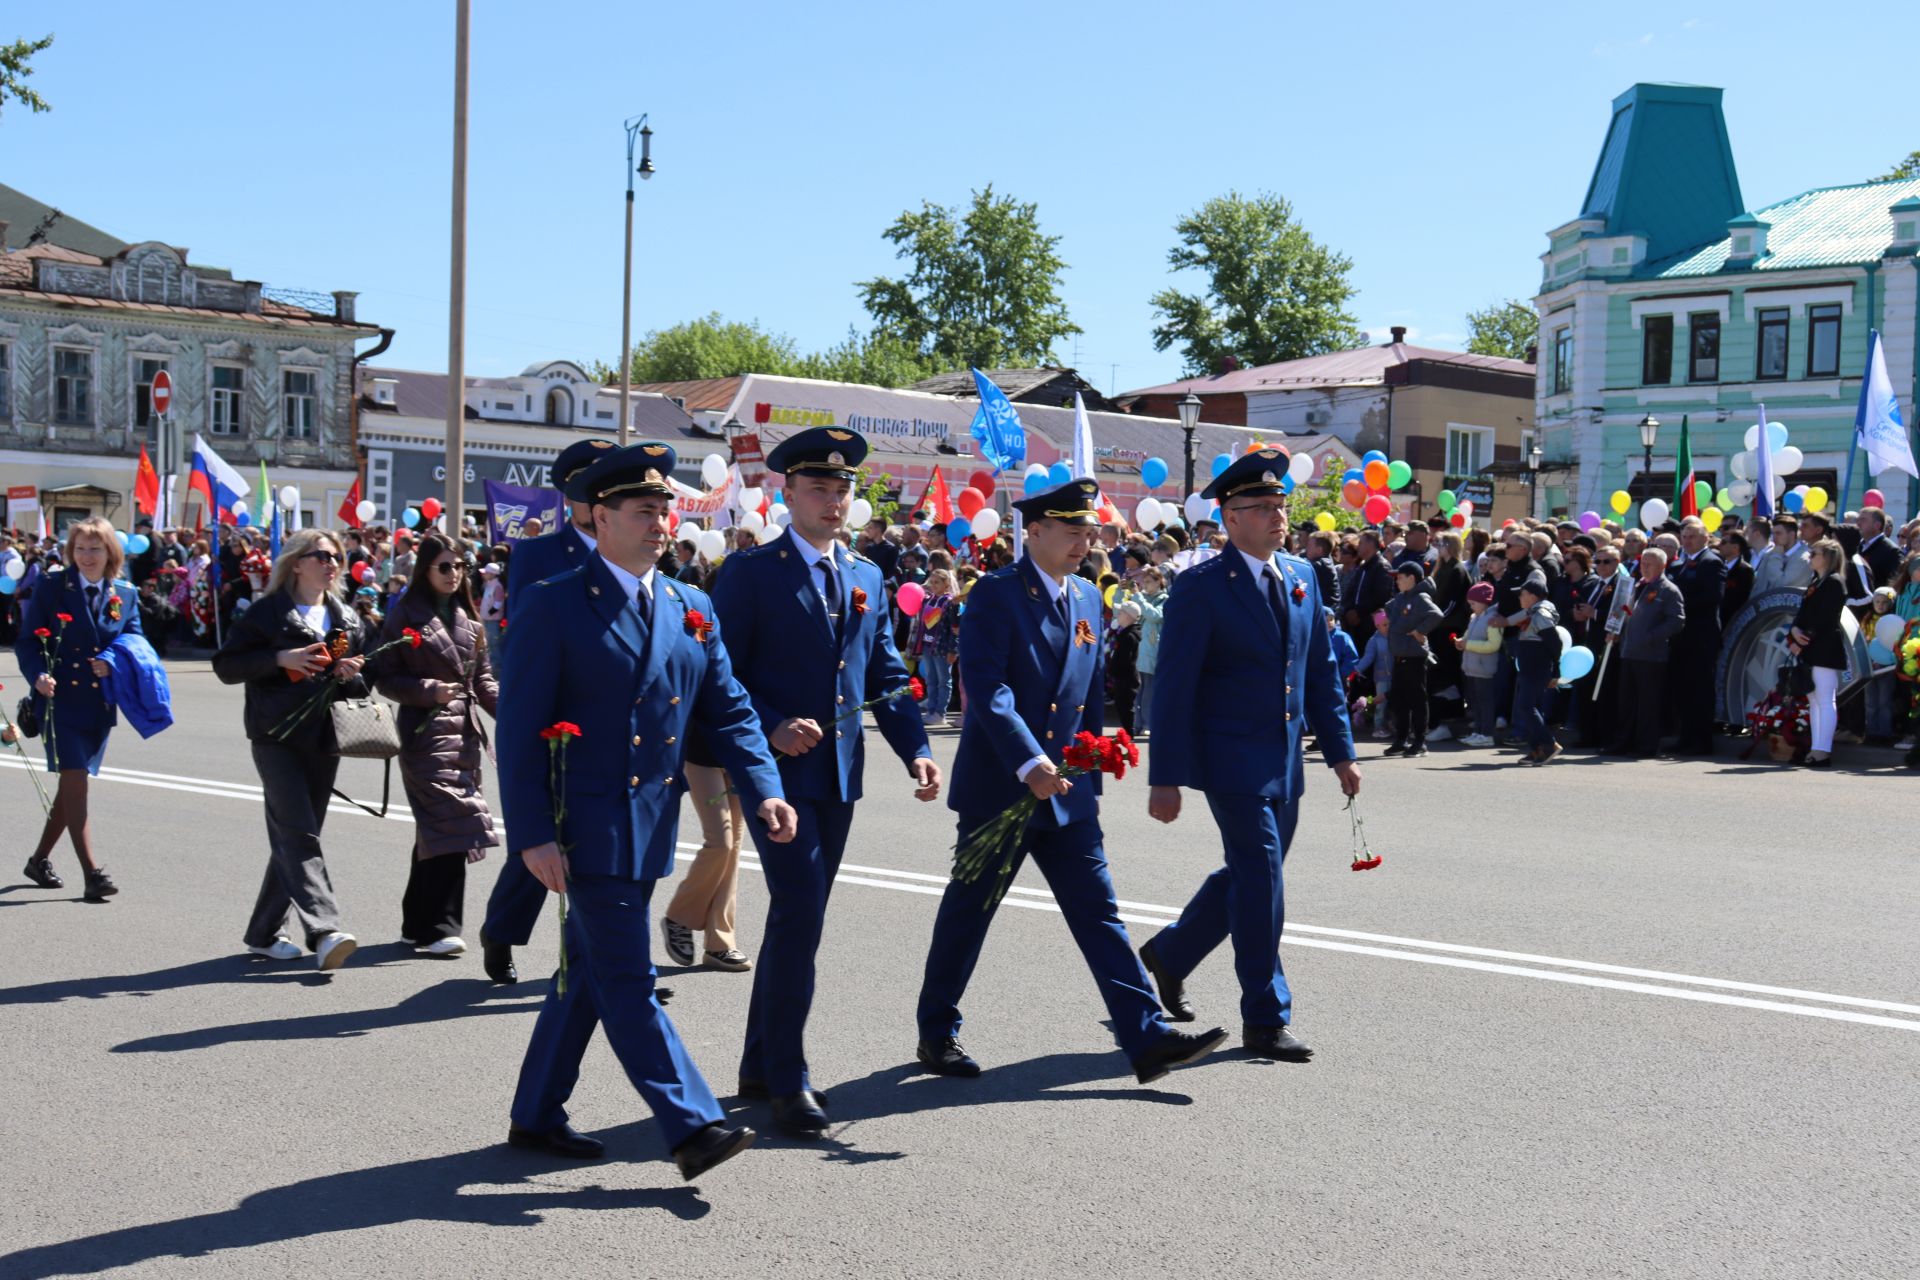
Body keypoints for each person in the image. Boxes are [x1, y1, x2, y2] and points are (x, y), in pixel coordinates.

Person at [498, 441, 795, 1179]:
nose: (661, 522)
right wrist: (531, 834)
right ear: (599, 517)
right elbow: (517, 731)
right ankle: (692, 1125)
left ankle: (535, 1113)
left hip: (648, 823)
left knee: (593, 976)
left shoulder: (691, 605)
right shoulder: (555, 602)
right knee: (627, 976)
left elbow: (729, 709)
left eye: (666, 509)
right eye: (643, 510)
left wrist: (766, 788)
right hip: (583, 828)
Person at [917, 477, 1228, 1085]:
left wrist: (1092, 763)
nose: (1085, 540)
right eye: (1071, 528)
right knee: (969, 912)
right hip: (1004, 787)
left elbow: (1086, 696)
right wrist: (1030, 762)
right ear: (1033, 531)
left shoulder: (1088, 596)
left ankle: (1147, 1037)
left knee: (1099, 913)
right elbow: (986, 687)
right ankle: (936, 1029)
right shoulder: (996, 595)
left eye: (1089, 529)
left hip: (1067, 791)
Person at [710, 426, 941, 1140]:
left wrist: (916, 748)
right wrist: (772, 723)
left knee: (794, 919)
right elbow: (720, 676)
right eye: (819, 488)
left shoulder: (866, 576)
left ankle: (758, 1062)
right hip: (774, 772)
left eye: (843, 490)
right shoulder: (752, 573)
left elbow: (886, 678)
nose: (834, 500)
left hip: (839, 775)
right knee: (801, 913)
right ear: (787, 494)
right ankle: (788, 1077)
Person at [1142, 448, 1361, 1063]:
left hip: (1285, 759)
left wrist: (1341, 752)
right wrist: (1166, 778)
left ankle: (1173, 953)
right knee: (1261, 876)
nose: (1276, 515)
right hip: (1229, 759)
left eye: (1280, 505)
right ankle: (1265, 1017)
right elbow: (1175, 687)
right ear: (1229, 517)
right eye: (1261, 507)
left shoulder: (1300, 575)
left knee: (1251, 875)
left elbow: (1319, 671)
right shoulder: (1202, 586)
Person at [478, 436, 620, 984]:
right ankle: (502, 929)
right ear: (571, 496)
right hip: (556, 720)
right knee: (546, 839)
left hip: (610, 723)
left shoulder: (630, 547)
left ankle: (608, 957)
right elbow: (533, 641)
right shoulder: (537, 554)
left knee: (605, 846)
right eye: (591, 489)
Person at [213, 529, 372, 970]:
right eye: (320, 555)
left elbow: (365, 679)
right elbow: (226, 666)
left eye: (336, 556)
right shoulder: (268, 613)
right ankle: (325, 929)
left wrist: (351, 672)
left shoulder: (348, 619)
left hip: (324, 738)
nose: (331, 562)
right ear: (296, 563)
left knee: (297, 836)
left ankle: (263, 932)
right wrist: (279, 660)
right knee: (299, 833)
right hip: (275, 736)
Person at [373, 533, 500, 956]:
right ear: (425, 570)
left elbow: (483, 682)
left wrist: (517, 715)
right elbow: (384, 676)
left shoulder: (470, 618)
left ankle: (416, 924)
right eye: (444, 566)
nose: (453, 574)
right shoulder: (405, 615)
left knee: (439, 828)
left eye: (460, 566)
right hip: (424, 734)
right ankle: (441, 927)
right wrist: (428, 689)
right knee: (454, 821)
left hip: (463, 736)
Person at [15, 517, 142, 902]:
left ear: (111, 553)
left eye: (95, 549)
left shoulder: (125, 592)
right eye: (80, 549)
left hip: (100, 702)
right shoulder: (53, 586)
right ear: (71, 552)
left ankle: (38, 860)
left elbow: (136, 641)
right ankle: (92, 874)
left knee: (71, 786)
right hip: (59, 699)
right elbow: (26, 641)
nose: (86, 556)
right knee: (77, 782)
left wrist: (115, 662)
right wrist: (37, 676)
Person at [1606, 547, 1686, 758]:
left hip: (1651, 656)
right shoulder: (1636, 586)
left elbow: (1676, 621)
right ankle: (1623, 742)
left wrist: (1651, 636)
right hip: (1629, 651)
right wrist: (1616, 631)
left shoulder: (1668, 590)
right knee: (1626, 701)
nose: (1644, 567)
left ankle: (1646, 745)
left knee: (1647, 703)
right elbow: (1625, 612)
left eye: (1649, 564)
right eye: (1643, 563)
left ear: (1661, 566)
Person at [1788, 539, 1850, 769]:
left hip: (1825, 647)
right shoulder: (1817, 581)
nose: (1810, 556)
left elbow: (1825, 618)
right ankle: (1816, 748)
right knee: (1814, 699)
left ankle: (1822, 751)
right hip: (1812, 646)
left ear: (1828, 557)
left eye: (1814, 553)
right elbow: (1804, 613)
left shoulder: (1834, 582)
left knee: (1825, 699)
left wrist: (1803, 640)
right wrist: (1794, 631)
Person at [1667, 517, 1727, 755]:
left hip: (1701, 636)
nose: (1687, 540)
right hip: (1682, 636)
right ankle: (1686, 737)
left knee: (1700, 690)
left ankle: (1702, 740)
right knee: (1683, 689)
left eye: (1692, 536)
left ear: (1705, 538)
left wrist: (1678, 606)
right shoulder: (1680, 564)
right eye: (1684, 536)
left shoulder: (1710, 561)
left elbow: (1713, 596)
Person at [1382, 562, 1442, 757]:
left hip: (1414, 656)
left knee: (1417, 700)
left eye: (1400, 577)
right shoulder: (1402, 597)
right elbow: (1389, 608)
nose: (1397, 580)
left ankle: (1419, 741)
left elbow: (1436, 614)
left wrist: (1419, 631)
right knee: (1399, 700)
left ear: (1412, 579)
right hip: (1400, 656)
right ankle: (1401, 739)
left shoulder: (1420, 597)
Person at [1509, 574, 1563, 765]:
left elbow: (1554, 643)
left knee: (1526, 707)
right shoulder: (1532, 613)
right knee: (1530, 707)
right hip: (1529, 666)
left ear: (1533, 596)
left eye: (1522, 594)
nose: (1519, 598)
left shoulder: (1540, 614)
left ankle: (1549, 744)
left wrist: (1556, 668)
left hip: (1536, 667)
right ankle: (1536, 750)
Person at [909, 568, 960, 725]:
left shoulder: (950, 602)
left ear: (946, 584)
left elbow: (954, 629)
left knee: (943, 680)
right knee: (930, 680)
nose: (933, 585)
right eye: (932, 582)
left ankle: (940, 713)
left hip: (942, 648)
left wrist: (953, 649)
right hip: (927, 645)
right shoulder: (928, 600)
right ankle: (931, 710)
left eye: (937, 582)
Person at [1456, 582, 1502, 747]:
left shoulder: (1492, 619)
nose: (1471, 607)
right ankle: (1477, 731)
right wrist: (1462, 641)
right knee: (1476, 702)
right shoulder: (1474, 617)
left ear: (1485, 601)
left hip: (1484, 668)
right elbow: (1468, 636)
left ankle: (1487, 734)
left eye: (1474, 603)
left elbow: (1493, 645)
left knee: (1485, 702)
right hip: (1473, 667)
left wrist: (1468, 645)